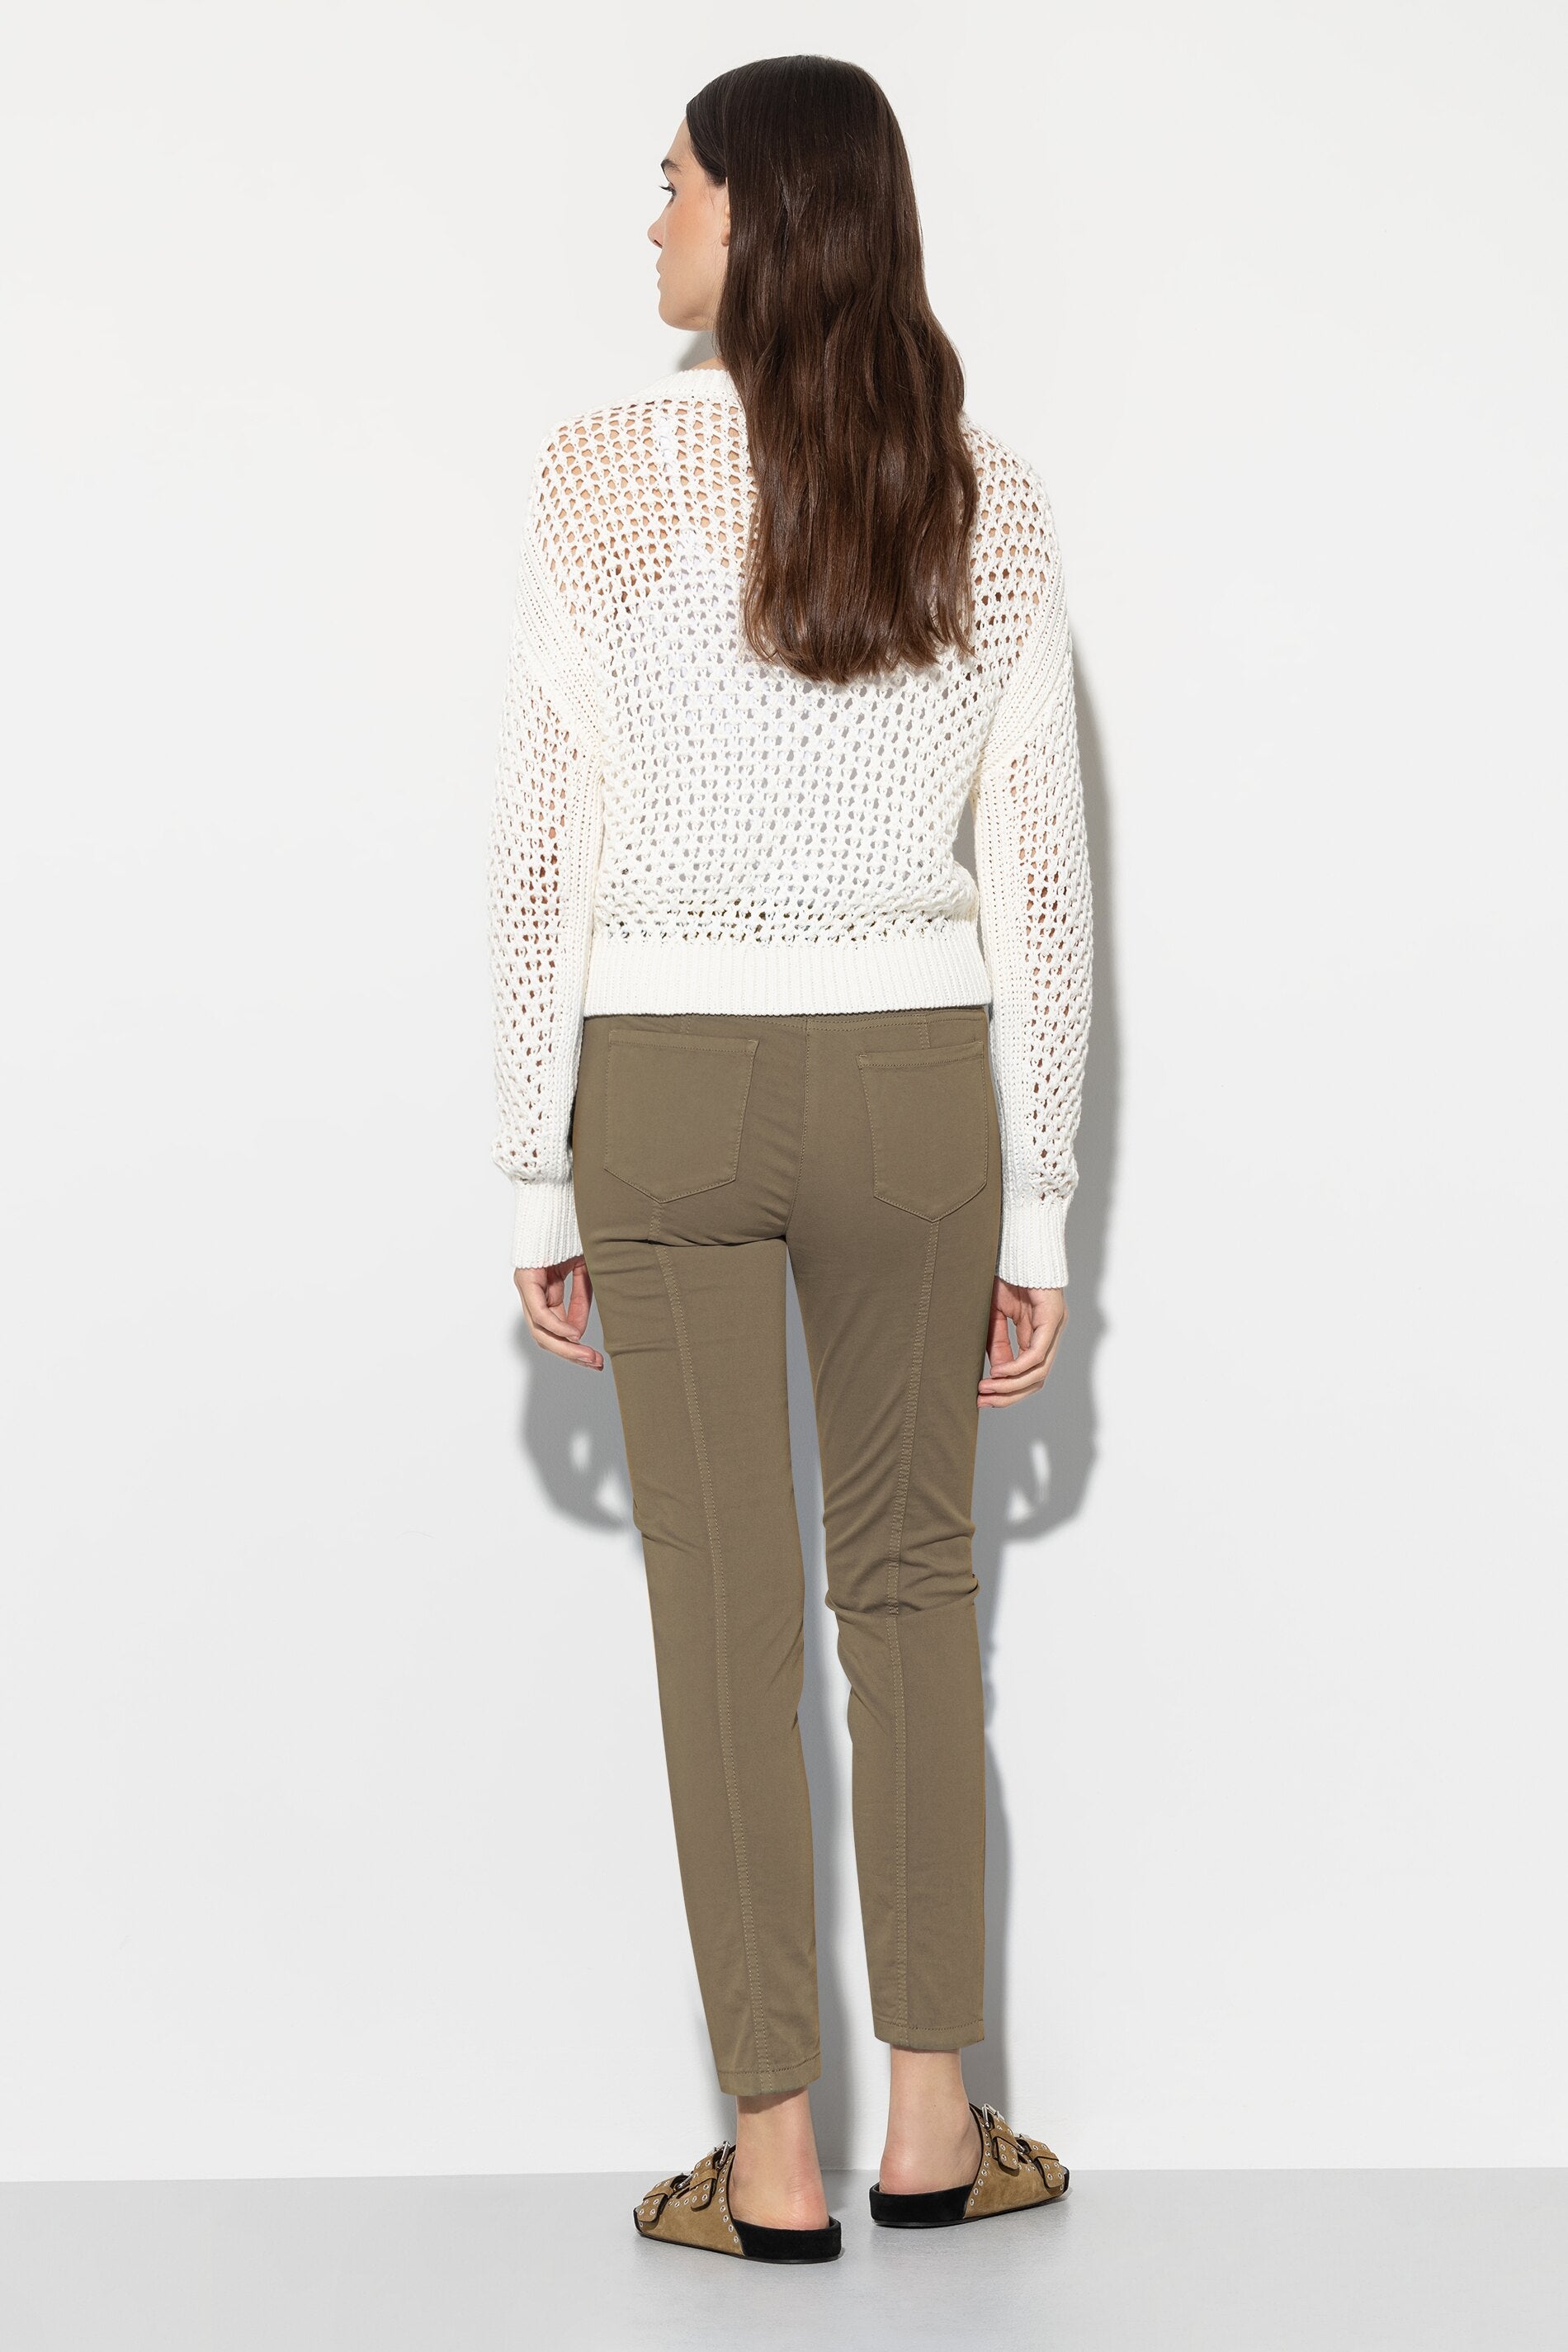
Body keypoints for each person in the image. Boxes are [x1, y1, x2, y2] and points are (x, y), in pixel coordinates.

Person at [487, 54, 1091, 2264]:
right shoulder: (979, 488)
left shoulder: (600, 474)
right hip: (914, 1088)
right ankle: (931, 2128)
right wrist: (1039, 1202)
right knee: (911, 1591)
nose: (649, 220)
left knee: (723, 1609)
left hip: (663, 1085)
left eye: (671, 184)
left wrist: (532, 1169)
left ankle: (766, 2160)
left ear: (758, 209)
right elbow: (1043, 874)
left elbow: (543, 843)